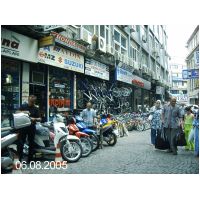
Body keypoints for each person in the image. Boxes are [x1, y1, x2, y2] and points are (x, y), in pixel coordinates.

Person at [17, 95, 41, 162]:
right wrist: (23, 112)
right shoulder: (23, 106)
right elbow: (16, 112)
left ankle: (30, 159)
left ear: (34, 102)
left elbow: (40, 119)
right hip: (23, 127)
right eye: (30, 101)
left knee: (31, 143)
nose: (31, 103)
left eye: (33, 102)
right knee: (21, 142)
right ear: (28, 100)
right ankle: (19, 158)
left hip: (31, 127)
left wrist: (34, 119)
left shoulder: (36, 108)